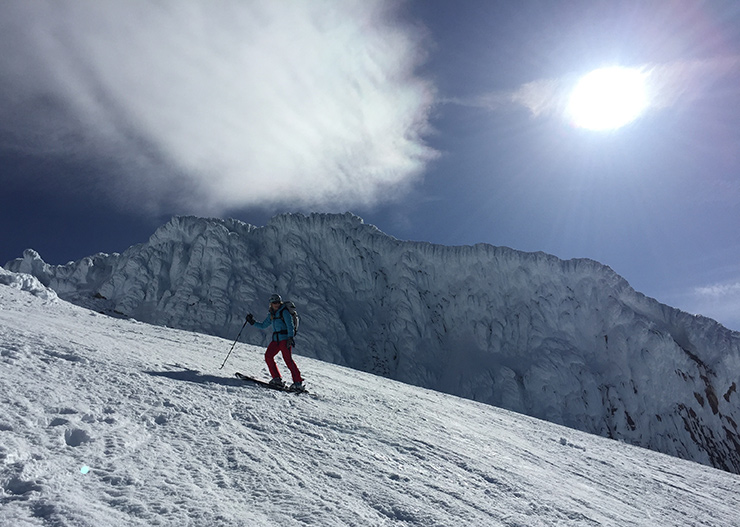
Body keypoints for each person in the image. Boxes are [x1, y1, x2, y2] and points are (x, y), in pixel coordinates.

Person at [246, 294, 304, 390]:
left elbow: (290, 325)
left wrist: (290, 337)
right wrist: (252, 322)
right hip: (276, 340)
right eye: (274, 303)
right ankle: (277, 379)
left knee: (288, 360)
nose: (276, 304)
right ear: (271, 304)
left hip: (285, 339)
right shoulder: (272, 314)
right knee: (268, 356)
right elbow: (263, 325)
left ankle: (298, 383)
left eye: (277, 302)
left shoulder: (284, 312)